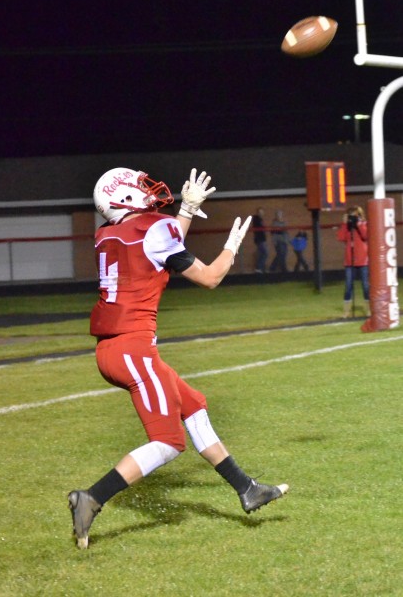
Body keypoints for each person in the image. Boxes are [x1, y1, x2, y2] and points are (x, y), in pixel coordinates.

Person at [68, 167, 289, 549]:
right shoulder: (152, 229)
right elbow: (209, 277)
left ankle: (247, 488)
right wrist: (233, 248)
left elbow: (159, 247)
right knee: (168, 441)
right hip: (132, 349)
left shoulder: (108, 233)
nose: (148, 191)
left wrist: (185, 210)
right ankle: (91, 497)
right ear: (123, 197)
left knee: (193, 405)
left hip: (113, 349)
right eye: (139, 187)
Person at [337, 205, 369, 318]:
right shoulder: (347, 227)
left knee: (365, 286)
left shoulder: (364, 224)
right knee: (348, 286)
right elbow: (341, 238)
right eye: (351, 215)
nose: (353, 218)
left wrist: (358, 224)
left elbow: (366, 236)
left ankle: (368, 309)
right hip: (349, 261)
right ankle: (346, 311)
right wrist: (345, 224)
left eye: (355, 215)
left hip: (363, 260)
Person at [252, 207, 268, 273]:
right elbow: (258, 227)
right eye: (260, 212)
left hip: (262, 239)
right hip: (259, 239)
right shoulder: (256, 219)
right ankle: (258, 268)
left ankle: (261, 268)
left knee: (262, 253)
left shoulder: (260, 219)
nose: (261, 213)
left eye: (262, 212)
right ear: (258, 213)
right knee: (265, 253)